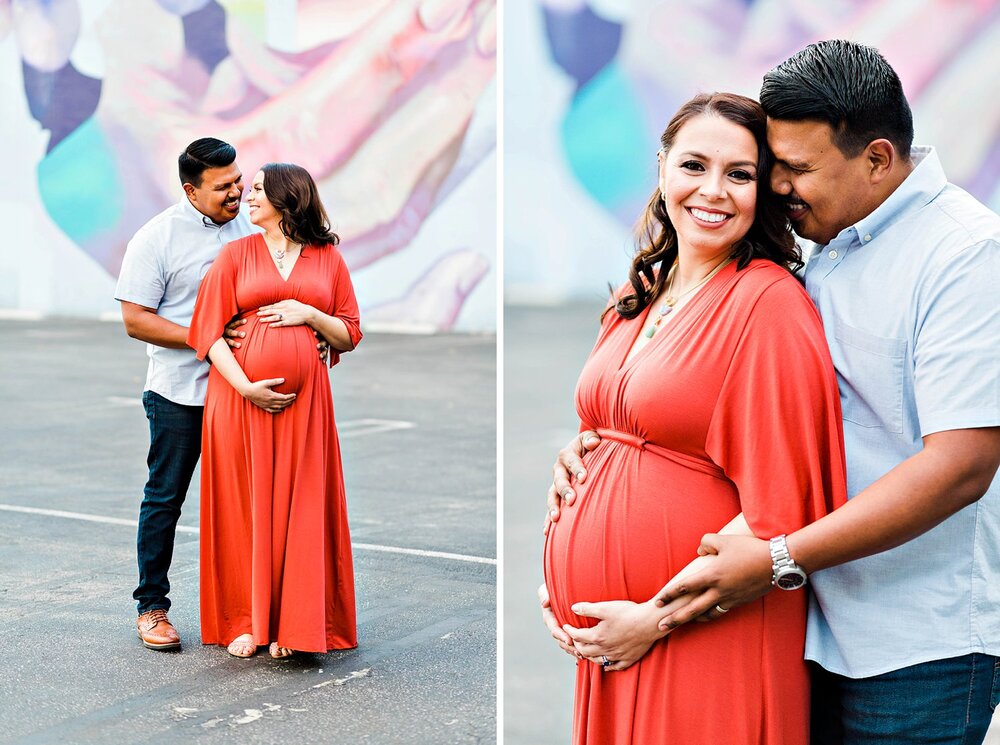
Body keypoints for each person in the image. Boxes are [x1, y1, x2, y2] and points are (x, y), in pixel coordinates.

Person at [548, 41, 1000, 745]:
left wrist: (777, 555)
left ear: (877, 160)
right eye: (775, 167)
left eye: (792, 169)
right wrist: (598, 453)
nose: (779, 188)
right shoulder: (831, 236)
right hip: (815, 618)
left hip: (913, 643)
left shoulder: (964, 253)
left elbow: (962, 463)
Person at [541, 92, 848, 744]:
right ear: (661, 167)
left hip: (701, 633)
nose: (713, 190)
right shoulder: (636, 294)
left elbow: (781, 504)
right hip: (616, 638)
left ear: (762, 191)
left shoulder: (769, 305)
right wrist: (576, 471)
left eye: (738, 174)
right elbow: (624, 428)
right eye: (694, 165)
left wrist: (651, 618)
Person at [187, 163, 362, 659]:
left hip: (307, 408)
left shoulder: (328, 258)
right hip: (240, 402)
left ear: (289, 198)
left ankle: (293, 622)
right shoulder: (235, 254)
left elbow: (349, 331)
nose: (247, 195)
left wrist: (309, 314)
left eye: (259, 189)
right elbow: (207, 331)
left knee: (301, 506)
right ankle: (248, 621)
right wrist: (246, 386)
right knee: (245, 507)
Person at [116, 137, 262, 650]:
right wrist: (210, 335)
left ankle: (257, 612)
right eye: (223, 186)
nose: (236, 192)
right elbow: (136, 320)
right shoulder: (156, 238)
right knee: (165, 500)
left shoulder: (255, 226)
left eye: (238, 181)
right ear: (190, 190)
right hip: (180, 394)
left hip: (243, 393)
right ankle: (151, 607)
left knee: (249, 506)